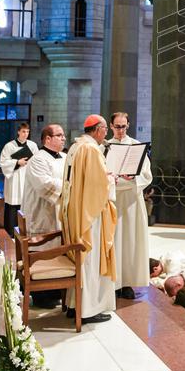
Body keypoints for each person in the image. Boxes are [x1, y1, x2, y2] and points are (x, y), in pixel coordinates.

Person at [61, 115, 117, 325]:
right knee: (90, 259)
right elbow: (98, 186)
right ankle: (88, 309)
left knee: (83, 259)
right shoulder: (91, 149)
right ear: (97, 129)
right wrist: (112, 179)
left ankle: (75, 305)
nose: (106, 134)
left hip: (76, 211)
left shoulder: (76, 147)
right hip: (89, 215)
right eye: (104, 129)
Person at [105, 112, 152, 300]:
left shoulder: (135, 146)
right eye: (117, 126)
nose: (120, 130)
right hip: (113, 199)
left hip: (132, 200)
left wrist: (134, 178)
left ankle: (127, 283)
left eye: (123, 126)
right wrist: (113, 179)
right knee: (115, 241)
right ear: (110, 126)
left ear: (128, 125)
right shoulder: (105, 147)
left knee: (131, 241)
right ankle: (113, 283)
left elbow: (147, 174)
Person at [21, 125, 66, 236]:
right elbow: (45, 185)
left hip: (62, 215)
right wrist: (72, 187)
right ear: (48, 139)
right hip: (42, 216)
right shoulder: (37, 159)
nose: (64, 138)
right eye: (59, 135)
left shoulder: (66, 157)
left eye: (63, 135)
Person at [0, 122, 38, 236]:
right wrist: (17, 162)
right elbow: (3, 162)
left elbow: (37, 160)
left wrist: (28, 162)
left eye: (27, 132)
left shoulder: (33, 145)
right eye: (23, 131)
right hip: (14, 178)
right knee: (13, 204)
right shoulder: (9, 146)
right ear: (18, 132)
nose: (25, 134)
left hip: (27, 176)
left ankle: (25, 231)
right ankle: (11, 231)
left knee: (26, 204)